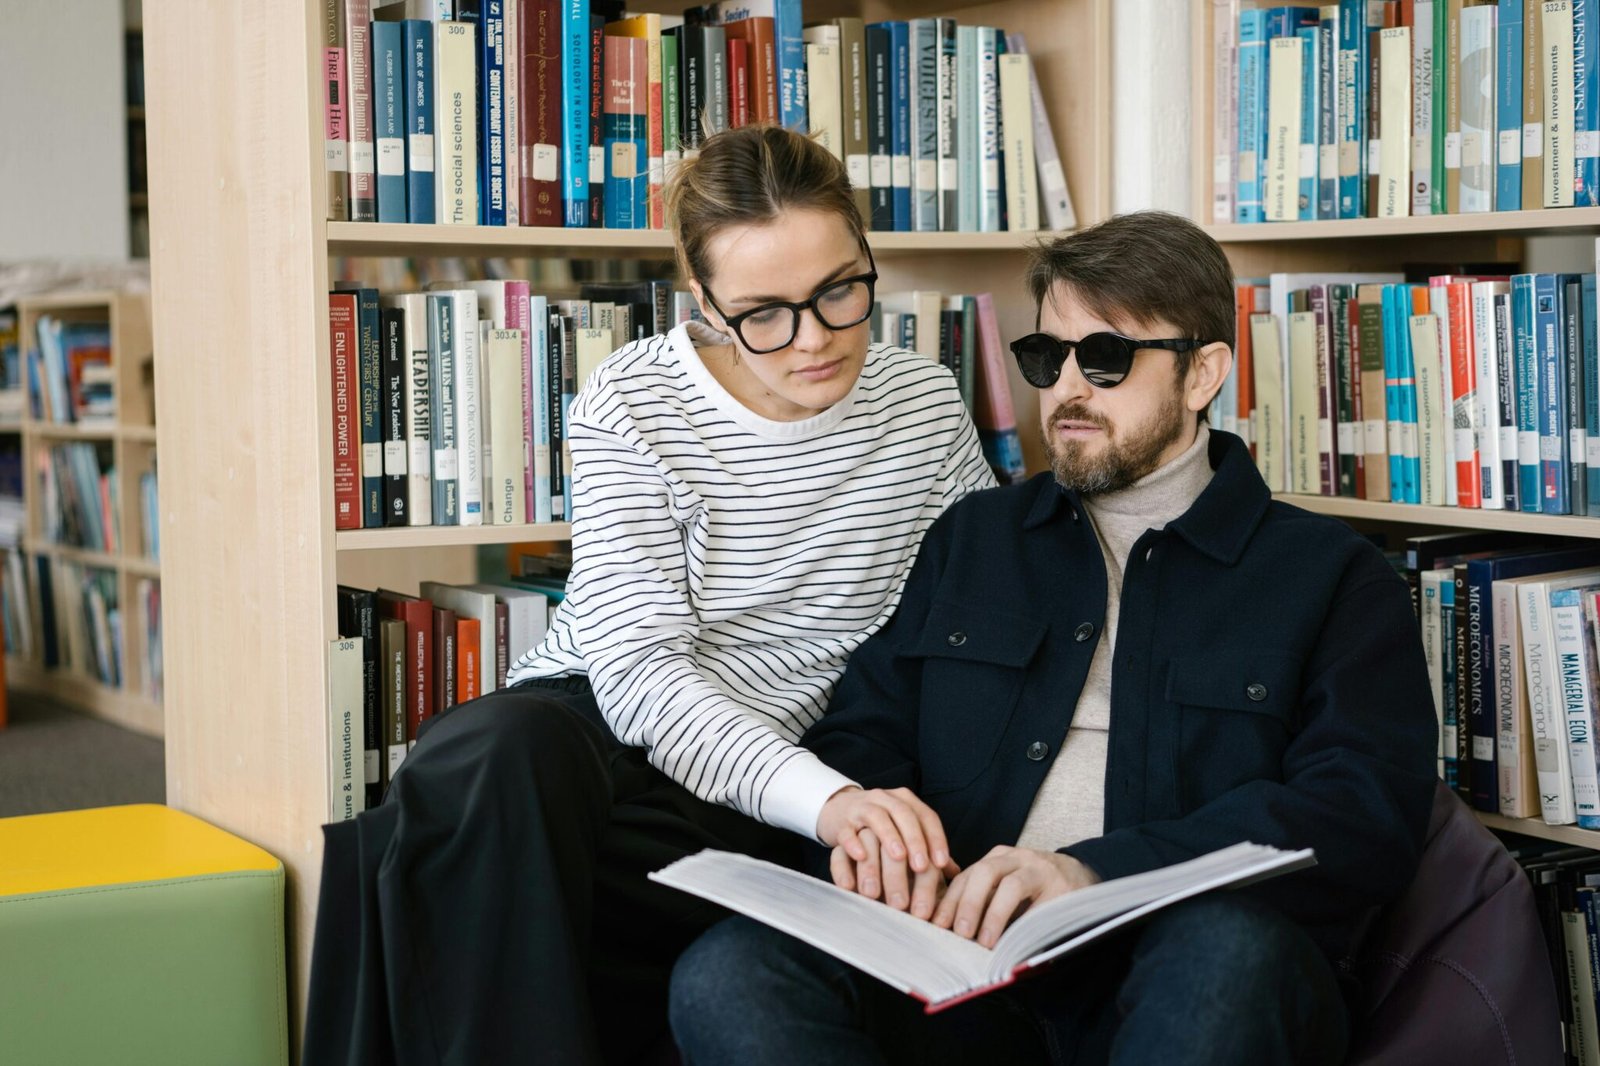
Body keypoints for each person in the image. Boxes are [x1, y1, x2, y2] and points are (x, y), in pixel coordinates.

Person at [668, 211, 1438, 1066]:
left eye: (1106, 358)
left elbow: (1362, 814)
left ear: (1202, 374)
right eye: (1048, 357)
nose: (1068, 389)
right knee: (730, 970)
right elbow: (866, 732)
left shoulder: (1330, 574)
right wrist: (887, 845)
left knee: (1229, 955)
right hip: (958, 965)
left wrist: (1093, 873)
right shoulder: (975, 538)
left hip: (1180, 966)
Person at [301, 125, 994, 1066]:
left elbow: (980, 609)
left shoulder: (925, 402)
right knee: (491, 756)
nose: (817, 339)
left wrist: (863, 795)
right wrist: (830, 802)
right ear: (702, 303)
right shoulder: (632, 403)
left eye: (840, 290)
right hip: (627, 747)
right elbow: (640, 674)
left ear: (866, 255)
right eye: (766, 313)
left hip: (809, 762)